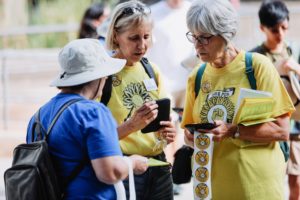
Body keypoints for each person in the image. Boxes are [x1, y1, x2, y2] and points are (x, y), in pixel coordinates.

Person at [181, 0, 295, 199]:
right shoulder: (196, 76)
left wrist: (233, 130)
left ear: (225, 35)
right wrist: (192, 138)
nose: (197, 45)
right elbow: (187, 134)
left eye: (205, 38)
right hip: (212, 190)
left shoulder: (258, 67)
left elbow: (281, 130)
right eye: (194, 37)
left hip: (258, 189)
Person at [26, 39, 148, 199]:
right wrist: (132, 163)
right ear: (98, 77)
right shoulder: (93, 112)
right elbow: (111, 172)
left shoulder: (39, 116)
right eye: (105, 77)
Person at [104, 1, 176, 199]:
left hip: (159, 168)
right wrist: (131, 126)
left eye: (146, 36)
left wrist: (169, 131)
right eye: (134, 38)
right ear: (116, 36)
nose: (142, 45)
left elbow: (165, 121)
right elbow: (94, 138)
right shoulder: (103, 75)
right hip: (125, 169)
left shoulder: (151, 69)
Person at [250, 1, 300, 199]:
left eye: (284, 27)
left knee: (296, 182)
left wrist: (296, 68)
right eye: (274, 29)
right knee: (271, 182)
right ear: (262, 28)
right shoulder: (254, 56)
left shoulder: (294, 51)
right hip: (268, 128)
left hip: (295, 127)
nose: (280, 33)